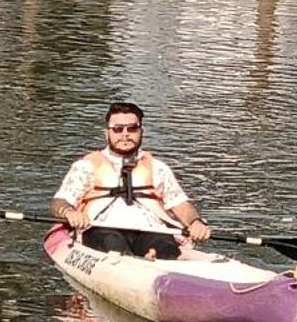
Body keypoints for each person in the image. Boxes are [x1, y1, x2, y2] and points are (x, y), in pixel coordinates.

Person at [50, 101, 212, 258]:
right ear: (107, 133)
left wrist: (195, 222)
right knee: (114, 245)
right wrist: (69, 212)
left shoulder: (158, 168)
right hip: (101, 228)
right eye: (118, 129)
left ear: (141, 131)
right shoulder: (85, 166)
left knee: (166, 249)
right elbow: (60, 201)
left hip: (150, 230)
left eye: (132, 128)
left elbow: (180, 204)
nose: (125, 134)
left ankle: (156, 262)